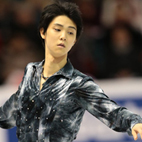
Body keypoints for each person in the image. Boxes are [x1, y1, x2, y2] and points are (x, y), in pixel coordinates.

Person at [0, 1, 142, 142]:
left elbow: (111, 112)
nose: (63, 36)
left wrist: (134, 122)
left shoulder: (78, 84)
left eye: (70, 32)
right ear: (43, 32)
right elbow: (6, 117)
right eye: (57, 29)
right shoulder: (31, 73)